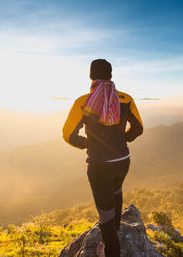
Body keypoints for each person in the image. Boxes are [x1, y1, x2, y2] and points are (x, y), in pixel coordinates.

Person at [62, 59, 143, 257]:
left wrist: (87, 144)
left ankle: (110, 251)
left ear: (91, 77)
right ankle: (114, 231)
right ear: (111, 76)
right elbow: (139, 128)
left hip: (99, 165)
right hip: (123, 160)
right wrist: (122, 139)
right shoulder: (125, 99)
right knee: (116, 191)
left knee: (105, 215)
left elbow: (68, 135)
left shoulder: (83, 102)